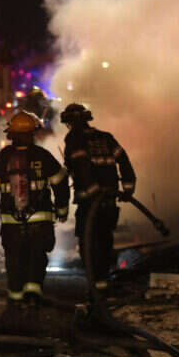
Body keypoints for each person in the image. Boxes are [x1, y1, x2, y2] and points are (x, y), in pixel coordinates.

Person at [0, 110, 69, 307]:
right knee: (37, 258)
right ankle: (33, 295)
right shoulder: (43, 156)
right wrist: (62, 210)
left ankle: (16, 300)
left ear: (11, 134)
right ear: (32, 133)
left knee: (14, 261)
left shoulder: (3, 158)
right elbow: (60, 183)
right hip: (40, 223)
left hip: (11, 225)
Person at [61, 103, 136, 299]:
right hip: (109, 201)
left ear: (69, 123)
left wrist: (92, 191)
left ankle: (96, 287)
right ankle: (102, 285)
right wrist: (128, 188)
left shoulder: (74, 139)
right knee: (104, 242)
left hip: (89, 203)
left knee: (88, 244)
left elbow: (81, 166)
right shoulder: (106, 137)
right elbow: (124, 160)